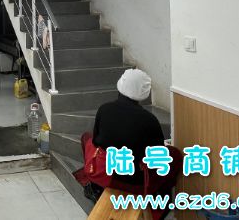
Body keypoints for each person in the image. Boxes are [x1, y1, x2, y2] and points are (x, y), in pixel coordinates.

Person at [74, 69, 181, 219]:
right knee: (174, 155)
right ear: (143, 93)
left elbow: (97, 141)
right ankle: (160, 199)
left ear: (120, 86)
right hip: (135, 182)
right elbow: (157, 157)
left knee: (87, 138)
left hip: (104, 175)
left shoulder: (104, 109)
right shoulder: (149, 120)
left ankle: (95, 186)